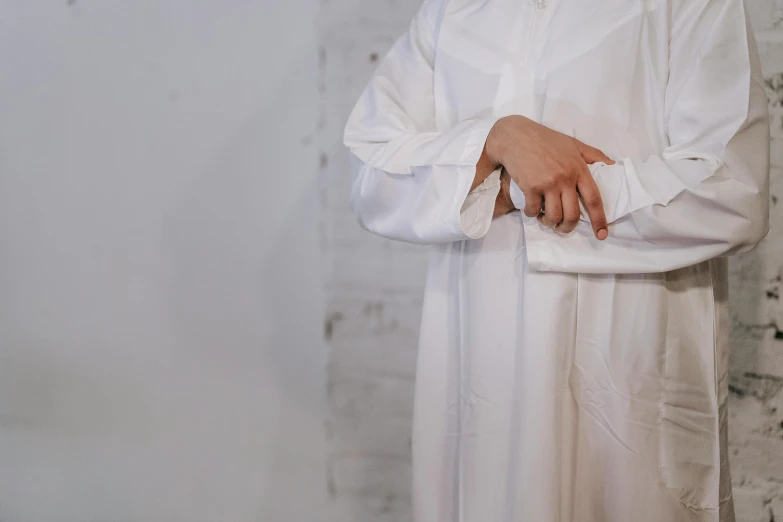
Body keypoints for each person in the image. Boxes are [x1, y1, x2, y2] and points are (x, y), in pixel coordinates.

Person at [343, 0, 770, 520]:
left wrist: (518, 186)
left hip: (624, 379)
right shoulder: (450, 11)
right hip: (479, 377)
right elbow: (372, 175)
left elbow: (731, 189)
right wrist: (498, 139)